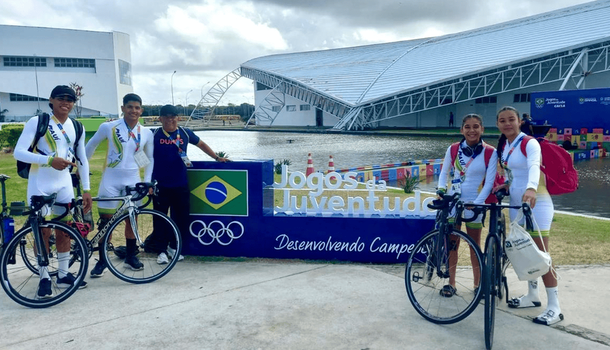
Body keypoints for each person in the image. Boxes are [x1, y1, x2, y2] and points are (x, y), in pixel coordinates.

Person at [14, 85, 92, 296]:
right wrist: (49, 160)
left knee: (64, 230)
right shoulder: (38, 122)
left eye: (70, 99)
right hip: (40, 183)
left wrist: (86, 189)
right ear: (51, 99)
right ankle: (44, 276)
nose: (65, 102)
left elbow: (82, 159)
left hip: (65, 184)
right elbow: (19, 152)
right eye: (61, 98)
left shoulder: (77, 126)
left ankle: (64, 273)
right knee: (43, 231)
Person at [495, 106, 562, 326]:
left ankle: (554, 307)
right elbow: (515, 174)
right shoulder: (506, 145)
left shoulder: (529, 142)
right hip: (517, 204)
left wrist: (531, 188)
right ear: (498, 125)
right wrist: (506, 185)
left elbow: (533, 167)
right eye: (502, 121)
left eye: (511, 119)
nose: (507, 124)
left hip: (537, 202)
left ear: (519, 122)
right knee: (525, 252)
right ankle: (533, 295)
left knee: (541, 254)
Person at [145, 104, 228, 264]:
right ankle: (161, 251)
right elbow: (138, 151)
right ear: (160, 119)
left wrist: (216, 158)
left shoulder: (184, 133)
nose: (170, 119)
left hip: (180, 184)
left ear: (178, 118)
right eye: (167, 116)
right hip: (160, 185)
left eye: (173, 116)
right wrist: (145, 176)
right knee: (160, 219)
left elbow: (201, 144)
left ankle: (173, 247)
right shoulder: (152, 134)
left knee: (182, 218)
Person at [85, 93, 154, 277]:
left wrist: (147, 180)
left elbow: (149, 158)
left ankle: (131, 256)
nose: (133, 110)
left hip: (133, 180)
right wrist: (81, 167)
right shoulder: (109, 127)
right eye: (130, 107)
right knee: (106, 222)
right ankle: (102, 260)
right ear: (123, 108)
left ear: (141, 110)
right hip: (111, 180)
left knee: (132, 220)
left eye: (137, 108)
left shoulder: (146, 133)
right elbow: (90, 146)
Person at [437, 113, 497, 297]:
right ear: (462, 130)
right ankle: (451, 283)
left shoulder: (490, 152)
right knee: (452, 243)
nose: (472, 130)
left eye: (476, 126)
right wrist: (440, 191)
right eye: (468, 127)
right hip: (454, 201)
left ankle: (478, 284)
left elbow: (489, 183)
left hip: (475, 203)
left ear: (482, 129)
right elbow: (444, 173)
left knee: (474, 244)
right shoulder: (453, 149)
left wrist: (478, 203)